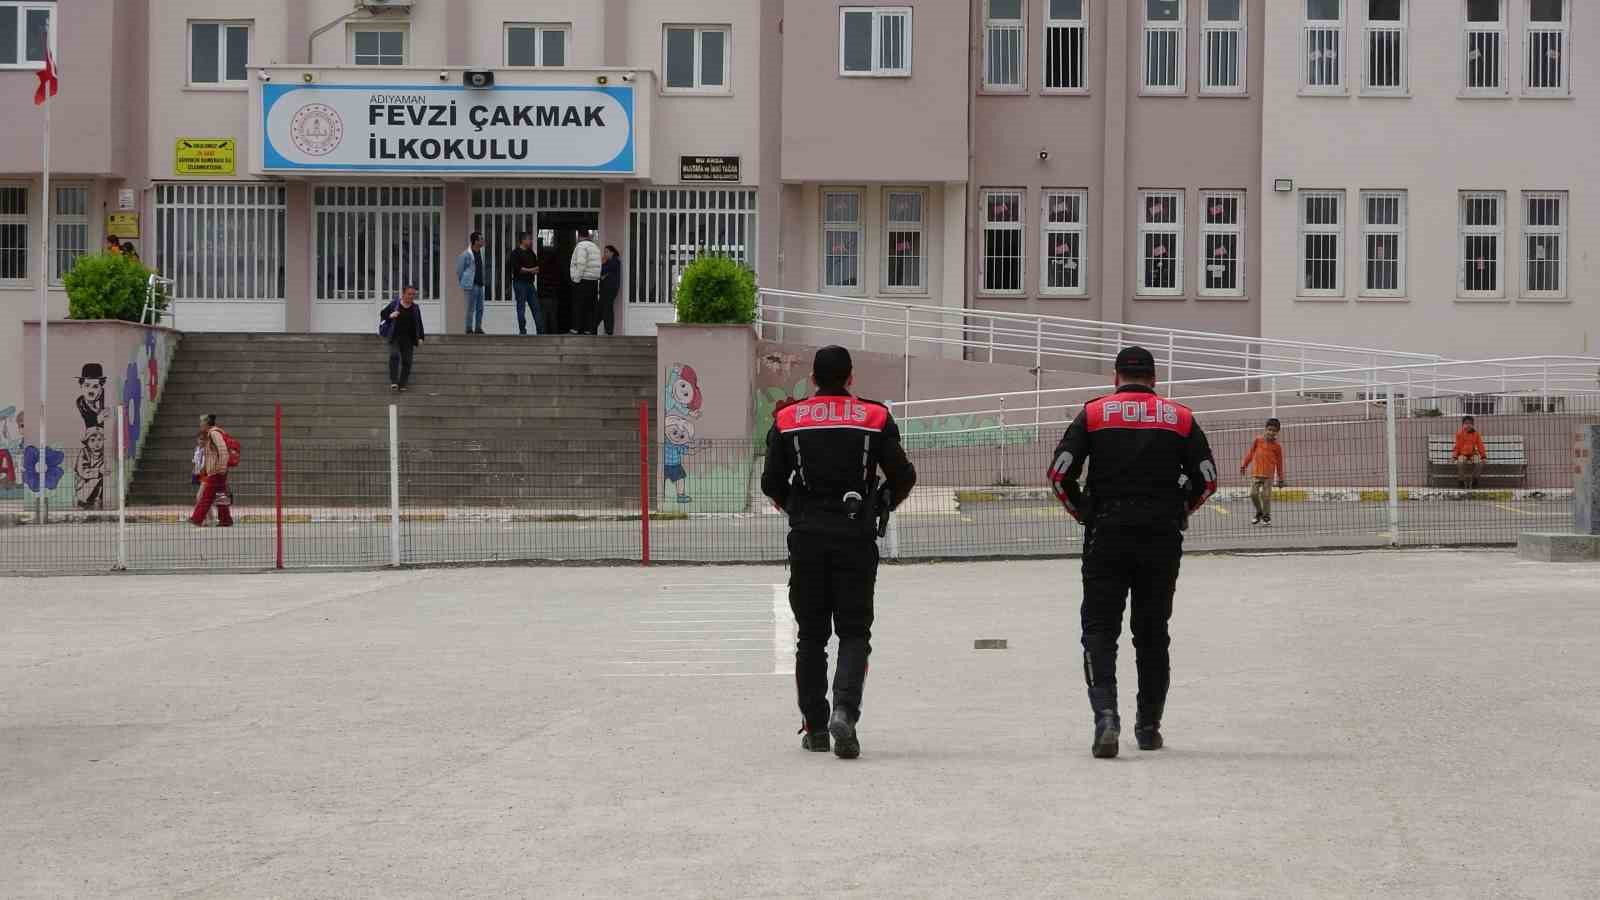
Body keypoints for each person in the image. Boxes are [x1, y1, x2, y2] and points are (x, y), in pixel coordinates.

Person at [1048, 346, 1217, 759]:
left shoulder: (1093, 414)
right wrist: (1179, 511)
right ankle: (1148, 726)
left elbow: (1058, 475)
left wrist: (1084, 513)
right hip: (1161, 537)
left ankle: (1106, 717)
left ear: (1116, 377)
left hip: (1106, 532)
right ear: (1155, 379)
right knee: (1153, 633)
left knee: (1100, 630)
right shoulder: (1180, 417)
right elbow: (1208, 480)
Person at [760, 346, 917, 760]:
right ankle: (845, 713)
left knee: (811, 637)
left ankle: (814, 727)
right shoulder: (874, 416)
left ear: (813, 378)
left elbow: (771, 482)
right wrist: (880, 503)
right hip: (856, 537)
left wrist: (796, 507)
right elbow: (904, 475)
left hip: (807, 537)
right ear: (850, 378)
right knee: (854, 632)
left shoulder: (788, 418)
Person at [1240, 417, 1287, 527]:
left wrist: (1281, 479)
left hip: (1268, 476)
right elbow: (1250, 454)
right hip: (1256, 474)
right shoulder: (1258, 440)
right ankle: (1259, 512)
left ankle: (1266, 516)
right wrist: (1244, 465)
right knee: (1253, 494)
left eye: (1274, 431)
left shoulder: (1277, 447)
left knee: (1266, 496)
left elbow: (1279, 463)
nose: (1271, 432)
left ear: (1277, 432)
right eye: (1269, 429)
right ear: (1265, 429)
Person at [190, 414, 234, 528]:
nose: (200, 425)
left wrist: (221, 467)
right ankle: (225, 520)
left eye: (201, 422)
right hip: (217, 470)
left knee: (206, 496)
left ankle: (197, 518)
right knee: (221, 496)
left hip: (216, 471)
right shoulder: (213, 433)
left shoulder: (214, 433)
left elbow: (223, 450)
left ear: (206, 423)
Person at [380, 285, 425, 392]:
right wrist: (391, 315)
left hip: (408, 339)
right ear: (403, 294)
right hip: (395, 336)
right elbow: (383, 314)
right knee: (394, 355)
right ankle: (394, 381)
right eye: (409, 294)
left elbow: (419, 323)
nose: (411, 296)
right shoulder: (395, 304)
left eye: (413, 294)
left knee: (407, 361)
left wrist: (421, 337)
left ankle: (402, 383)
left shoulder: (415, 308)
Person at [507, 232, 543, 335]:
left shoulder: (531, 253)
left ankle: (540, 331)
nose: (531, 241)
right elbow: (519, 270)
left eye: (530, 239)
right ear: (523, 240)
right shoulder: (515, 253)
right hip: (519, 283)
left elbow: (537, 268)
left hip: (530, 284)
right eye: (529, 239)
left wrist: (530, 270)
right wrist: (531, 270)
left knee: (536, 307)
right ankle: (523, 331)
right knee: (521, 307)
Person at [569, 228, 603, 335]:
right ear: (588, 236)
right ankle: (590, 329)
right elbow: (599, 264)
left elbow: (581, 263)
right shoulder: (595, 247)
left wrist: (576, 279)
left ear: (579, 236)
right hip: (593, 281)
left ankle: (576, 328)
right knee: (591, 307)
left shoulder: (581, 246)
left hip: (583, 280)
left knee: (578, 305)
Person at [456, 232, 486, 335]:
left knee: (480, 307)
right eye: (481, 239)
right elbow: (459, 270)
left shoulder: (481, 253)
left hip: (480, 284)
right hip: (471, 285)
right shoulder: (466, 254)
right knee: (471, 307)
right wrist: (464, 281)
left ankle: (478, 328)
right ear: (475, 241)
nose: (483, 241)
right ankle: (469, 328)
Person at [1453, 415, 1487, 489]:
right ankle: (1461, 481)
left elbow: (1480, 445)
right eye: (1466, 423)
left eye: (1470, 423)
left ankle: (1474, 479)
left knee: (1479, 463)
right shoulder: (1459, 434)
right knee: (1460, 463)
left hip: (1473, 454)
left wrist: (1483, 456)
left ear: (1473, 425)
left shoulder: (1476, 434)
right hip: (1463, 454)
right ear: (1463, 424)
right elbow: (1457, 446)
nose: (1468, 425)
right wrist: (1455, 456)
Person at [598, 244, 622, 337]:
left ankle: (609, 331)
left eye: (606, 252)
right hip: (605, 289)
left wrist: (603, 264)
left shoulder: (615, 261)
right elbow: (601, 274)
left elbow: (604, 271)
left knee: (607, 309)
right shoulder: (609, 261)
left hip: (610, 289)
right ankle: (593, 329)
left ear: (612, 252)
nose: (604, 254)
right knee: (602, 308)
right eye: (604, 252)